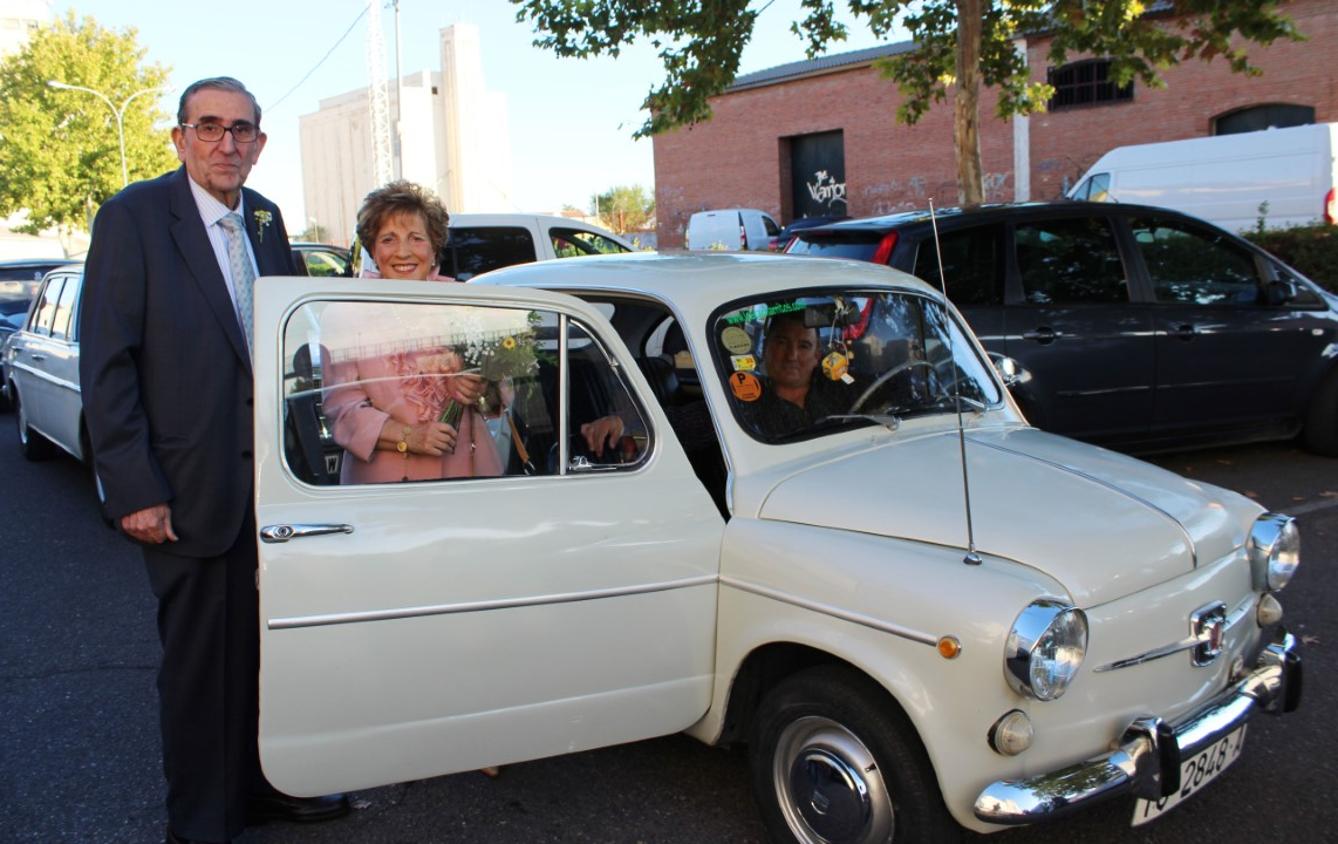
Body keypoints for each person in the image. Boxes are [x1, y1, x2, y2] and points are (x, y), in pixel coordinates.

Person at [78, 77, 349, 844]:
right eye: (209, 127)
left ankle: (261, 788)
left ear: (260, 143)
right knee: (200, 668)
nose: (227, 144)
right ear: (179, 137)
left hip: (271, 488)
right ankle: (200, 822)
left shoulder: (264, 219)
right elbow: (108, 365)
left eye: (242, 131)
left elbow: (284, 344)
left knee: (266, 653)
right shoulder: (132, 219)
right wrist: (134, 487)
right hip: (184, 486)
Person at [321, 181, 500, 483]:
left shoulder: (465, 303)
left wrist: (480, 389)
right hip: (389, 485)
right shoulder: (346, 313)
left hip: (467, 476)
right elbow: (342, 410)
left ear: (433, 247)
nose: (403, 252)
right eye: (388, 239)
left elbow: (497, 400)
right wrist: (409, 436)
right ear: (373, 250)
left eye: (416, 238)